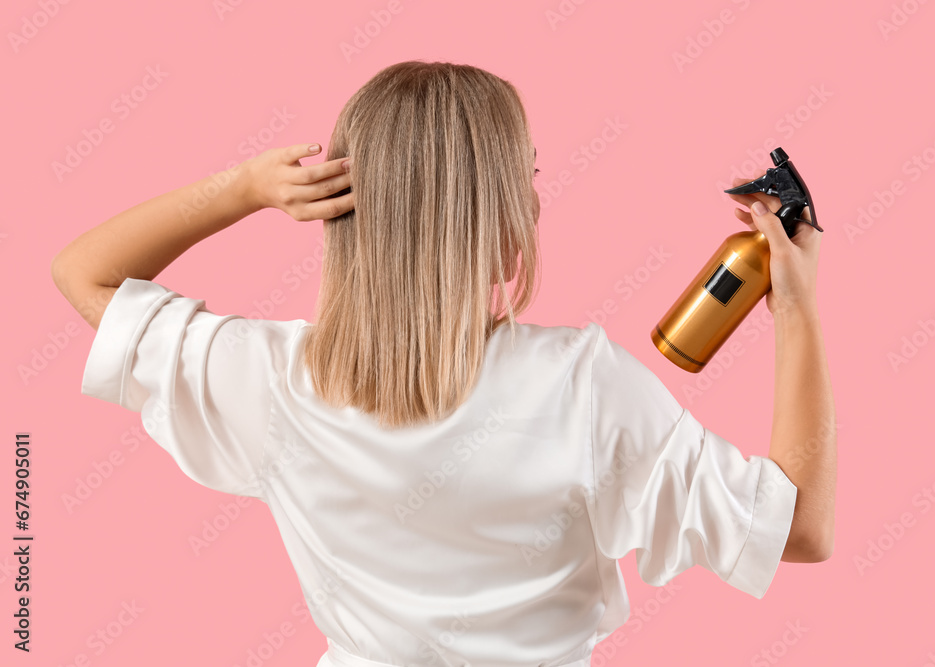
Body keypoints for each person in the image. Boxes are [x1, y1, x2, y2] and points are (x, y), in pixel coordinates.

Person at [51, 60, 836, 667]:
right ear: (492, 207)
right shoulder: (584, 385)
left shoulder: (273, 380)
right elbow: (798, 529)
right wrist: (796, 308)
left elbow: (82, 272)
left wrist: (246, 188)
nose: (535, 200)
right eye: (526, 175)